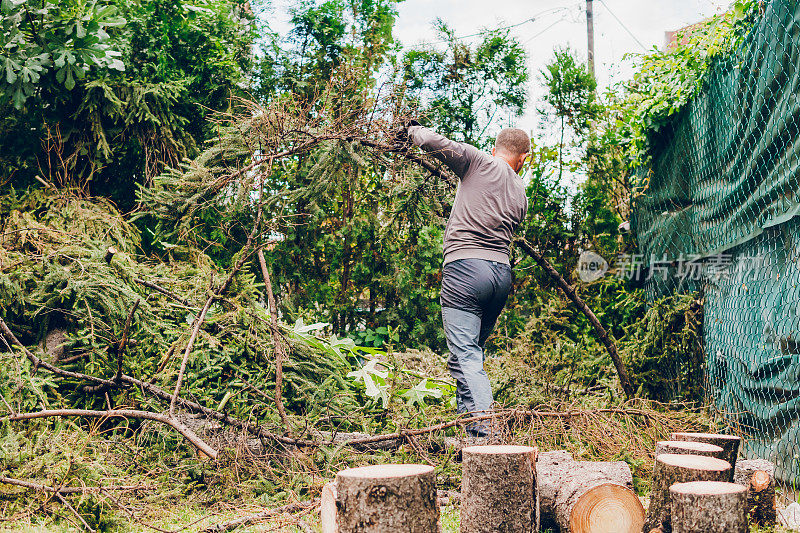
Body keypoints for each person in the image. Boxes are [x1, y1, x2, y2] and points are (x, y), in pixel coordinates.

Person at [400, 123, 530, 436]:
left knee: (466, 356)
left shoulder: (480, 161)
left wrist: (410, 130)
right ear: (524, 158)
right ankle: (468, 439)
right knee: (467, 359)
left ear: (494, 148)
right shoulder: (521, 192)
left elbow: (432, 141)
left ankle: (487, 438)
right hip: (500, 276)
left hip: (466, 270)